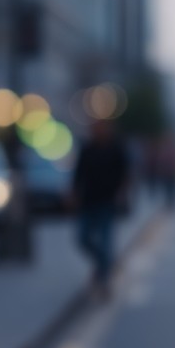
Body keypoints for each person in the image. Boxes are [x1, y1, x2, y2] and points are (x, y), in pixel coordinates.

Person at [70, 119, 132, 298]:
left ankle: (104, 279)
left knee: (106, 242)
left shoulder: (116, 149)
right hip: (88, 202)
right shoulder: (87, 149)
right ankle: (104, 264)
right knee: (82, 239)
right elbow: (78, 174)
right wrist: (73, 194)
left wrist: (122, 193)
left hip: (107, 203)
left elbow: (126, 173)